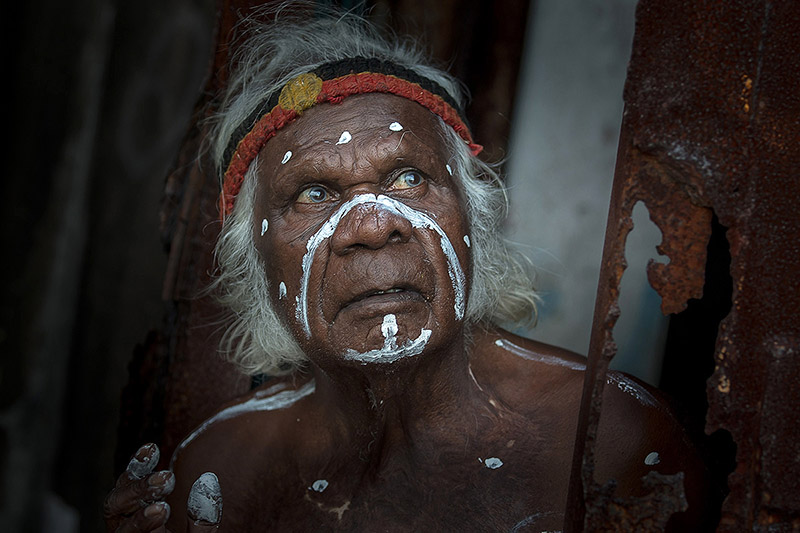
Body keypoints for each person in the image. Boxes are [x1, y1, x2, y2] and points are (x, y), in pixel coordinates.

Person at [104, 10, 711, 532]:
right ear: (256, 264)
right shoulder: (217, 476)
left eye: (407, 178)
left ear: (472, 220)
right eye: (314, 193)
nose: (372, 224)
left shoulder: (611, 446)